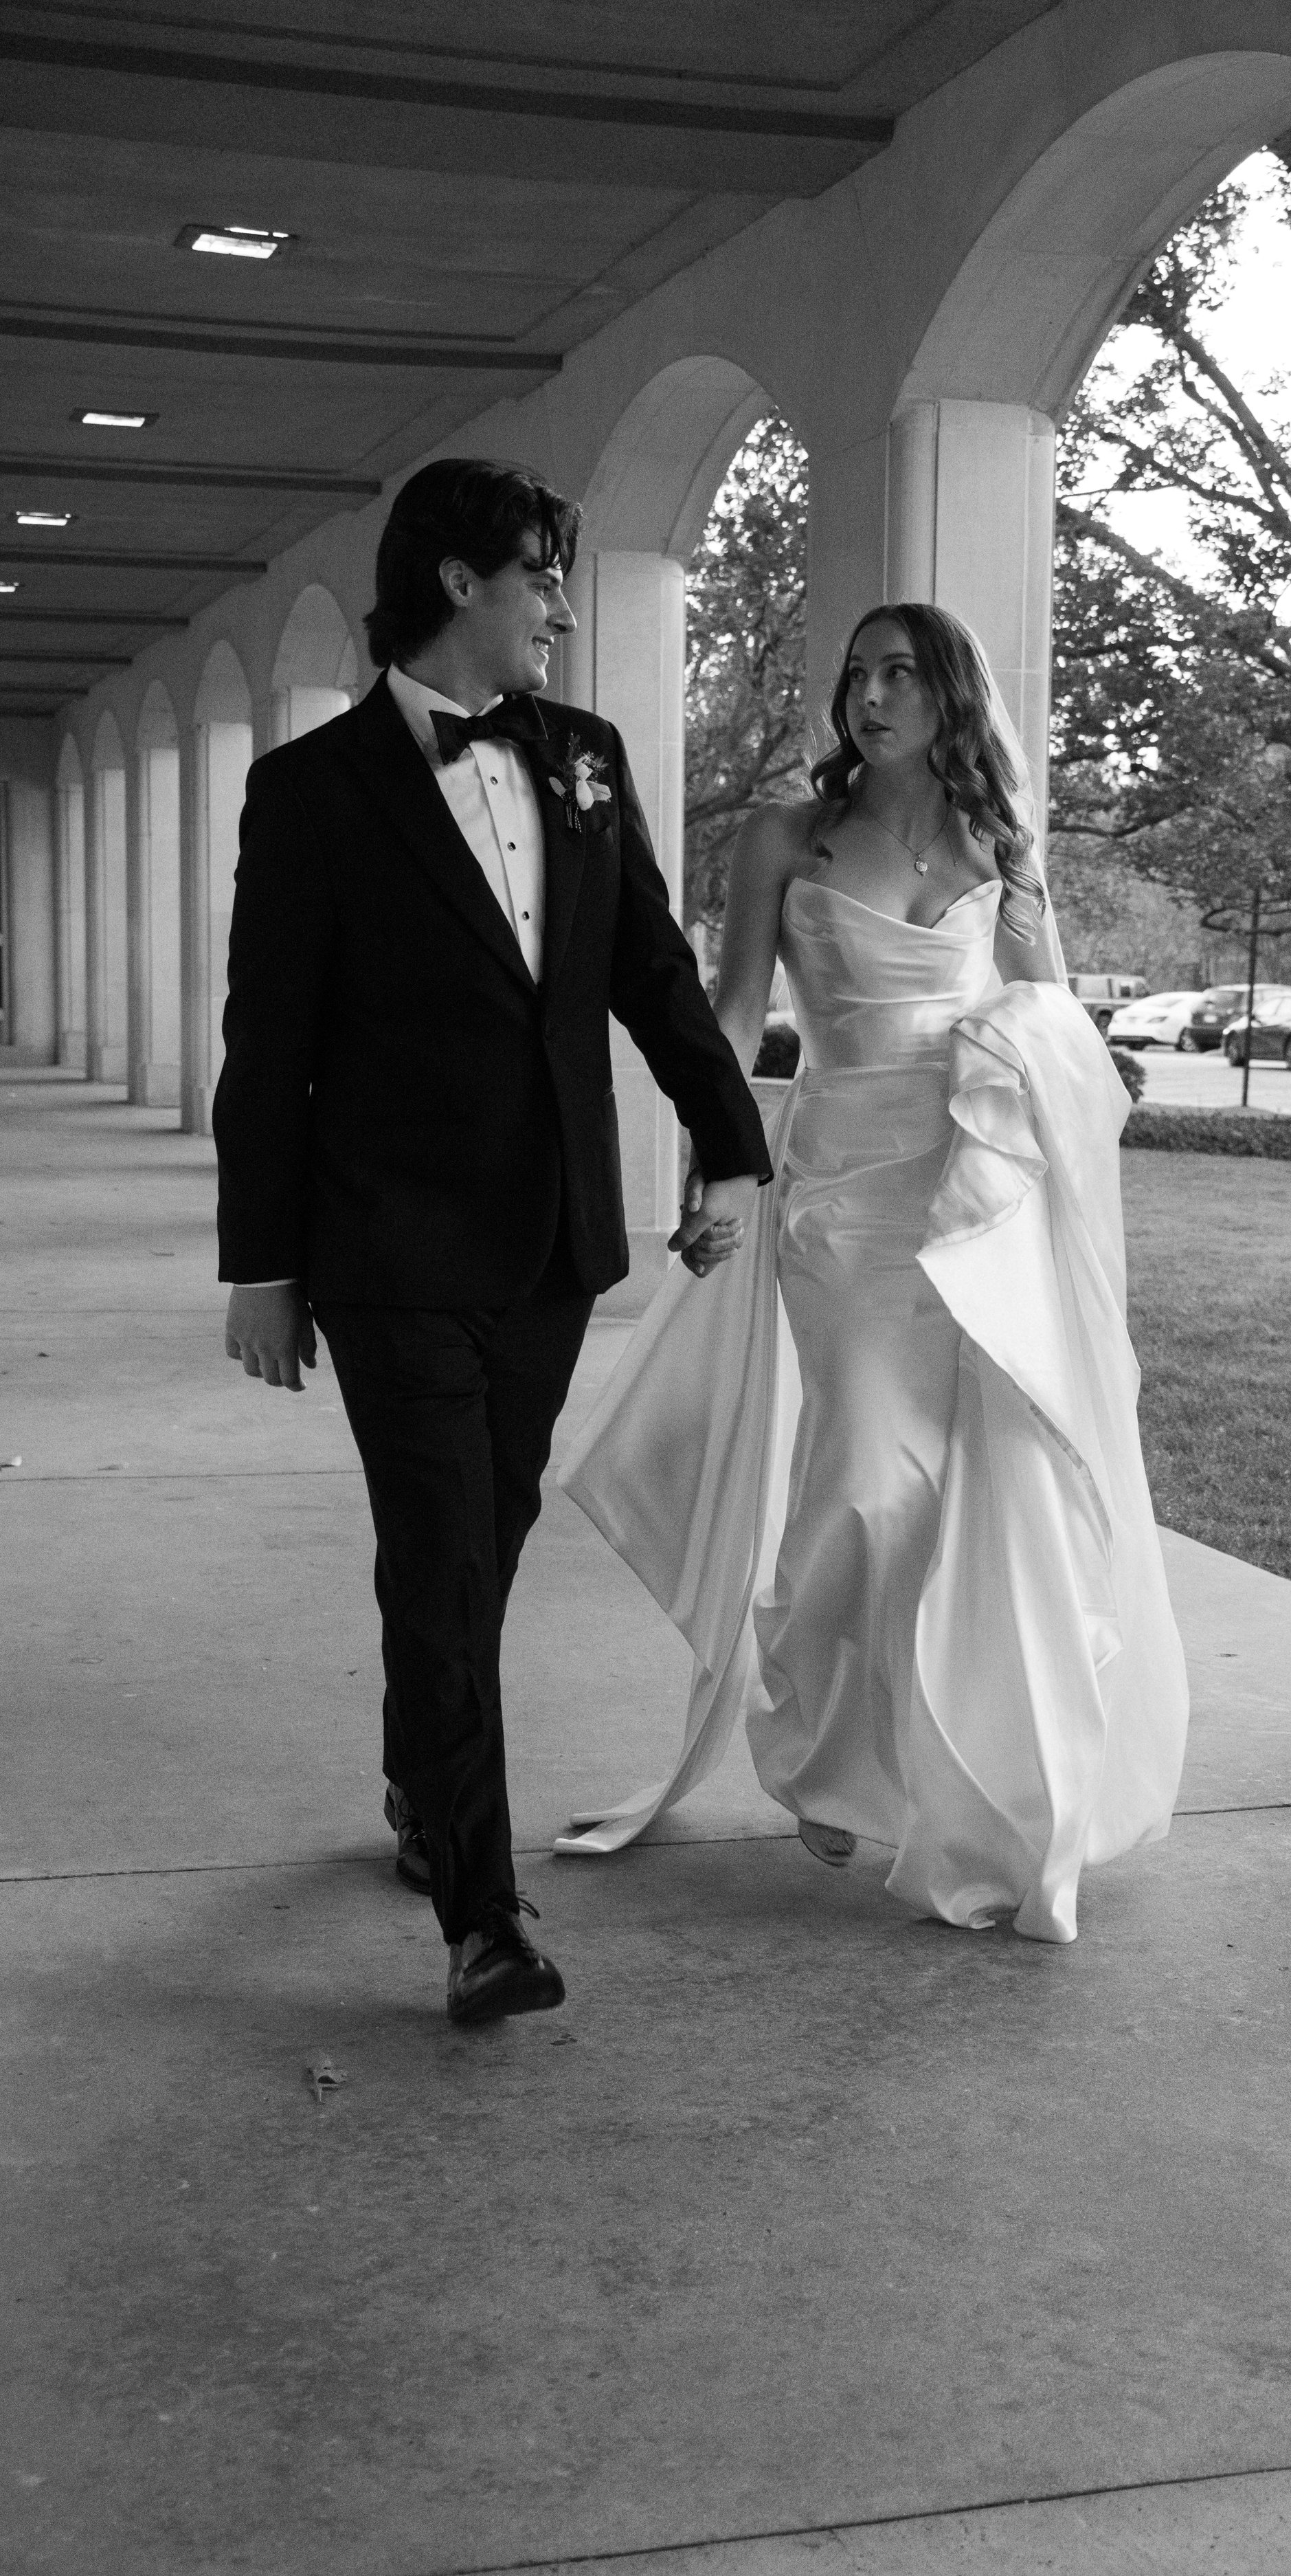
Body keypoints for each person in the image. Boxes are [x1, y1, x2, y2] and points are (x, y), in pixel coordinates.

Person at [214, 458, 770, 2025]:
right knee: (450, 1559)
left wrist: (733, 1150)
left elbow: (653, 974)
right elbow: (269, 1047)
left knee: (476, 1547)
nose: (564, 609)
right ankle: (481, 1914)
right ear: (460, 581)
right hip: (385, 1252)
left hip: (546, 1250)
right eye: (543, 576)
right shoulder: (311, 793)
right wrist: (260, 1262)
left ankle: (419, 1775)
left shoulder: (585, 760)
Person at [557, 604, 1189, 1942]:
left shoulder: (997, 847)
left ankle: (947, 1776)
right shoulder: (783, 836)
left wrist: (1047, 1059)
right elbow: (725, 1018)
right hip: (838, 1202)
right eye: (856, 672)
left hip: (964, 1206)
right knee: (862, 1483)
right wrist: (713, 1166)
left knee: (975, 1499)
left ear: (951, 696)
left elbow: (1053, 1022)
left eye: (900, 672)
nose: (870, 693)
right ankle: (815, 1735)